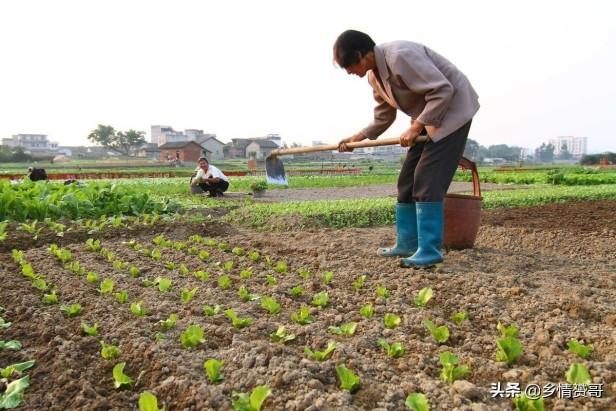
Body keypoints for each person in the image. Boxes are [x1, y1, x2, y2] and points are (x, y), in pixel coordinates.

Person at [335, 30, 479, 268]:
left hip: (452, 111)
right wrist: (359, 137)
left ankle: (430, 250)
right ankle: (407, 243)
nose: (349, 73)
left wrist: (416, 127)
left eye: (348, 66)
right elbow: (384, 114)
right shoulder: (374, 76)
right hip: (428, 116)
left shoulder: (400, 56)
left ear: (360, 55)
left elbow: (443, 90)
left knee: (427, 179)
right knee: (407, 181)